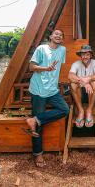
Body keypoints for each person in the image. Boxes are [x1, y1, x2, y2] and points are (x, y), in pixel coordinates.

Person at [25, 29, 69, 168]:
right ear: (50, 36)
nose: (58, 36)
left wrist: (55, 79)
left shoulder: (62, 50)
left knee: (64, 109)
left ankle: (35, 119)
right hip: (38, 90)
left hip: (52, 90)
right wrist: (46, 69)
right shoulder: (41, 48)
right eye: (56, 34)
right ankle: (38, 154)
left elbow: (58, 70)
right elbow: (31, 67)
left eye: (61, 35)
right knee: (38, 126)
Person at [68, 45, 95, 128]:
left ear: (90, 55)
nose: (85, 57)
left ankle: (89, 110)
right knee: (73, 84)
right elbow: (70, 76)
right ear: (80, 55)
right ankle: (81, 110)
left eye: (87, 54)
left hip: (92, 94)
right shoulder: (76, 64)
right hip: (79, 94)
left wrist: (89, 79)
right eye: (83, 54)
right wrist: (84, 82)